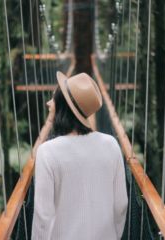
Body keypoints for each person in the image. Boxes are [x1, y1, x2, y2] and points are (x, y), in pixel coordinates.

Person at [31, 71, 128, 240]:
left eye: (53, 99)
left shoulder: (47, 152)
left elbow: (43, 216)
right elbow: (121, 205)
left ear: (62, 107)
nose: (48, 103)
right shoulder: (111, 144)